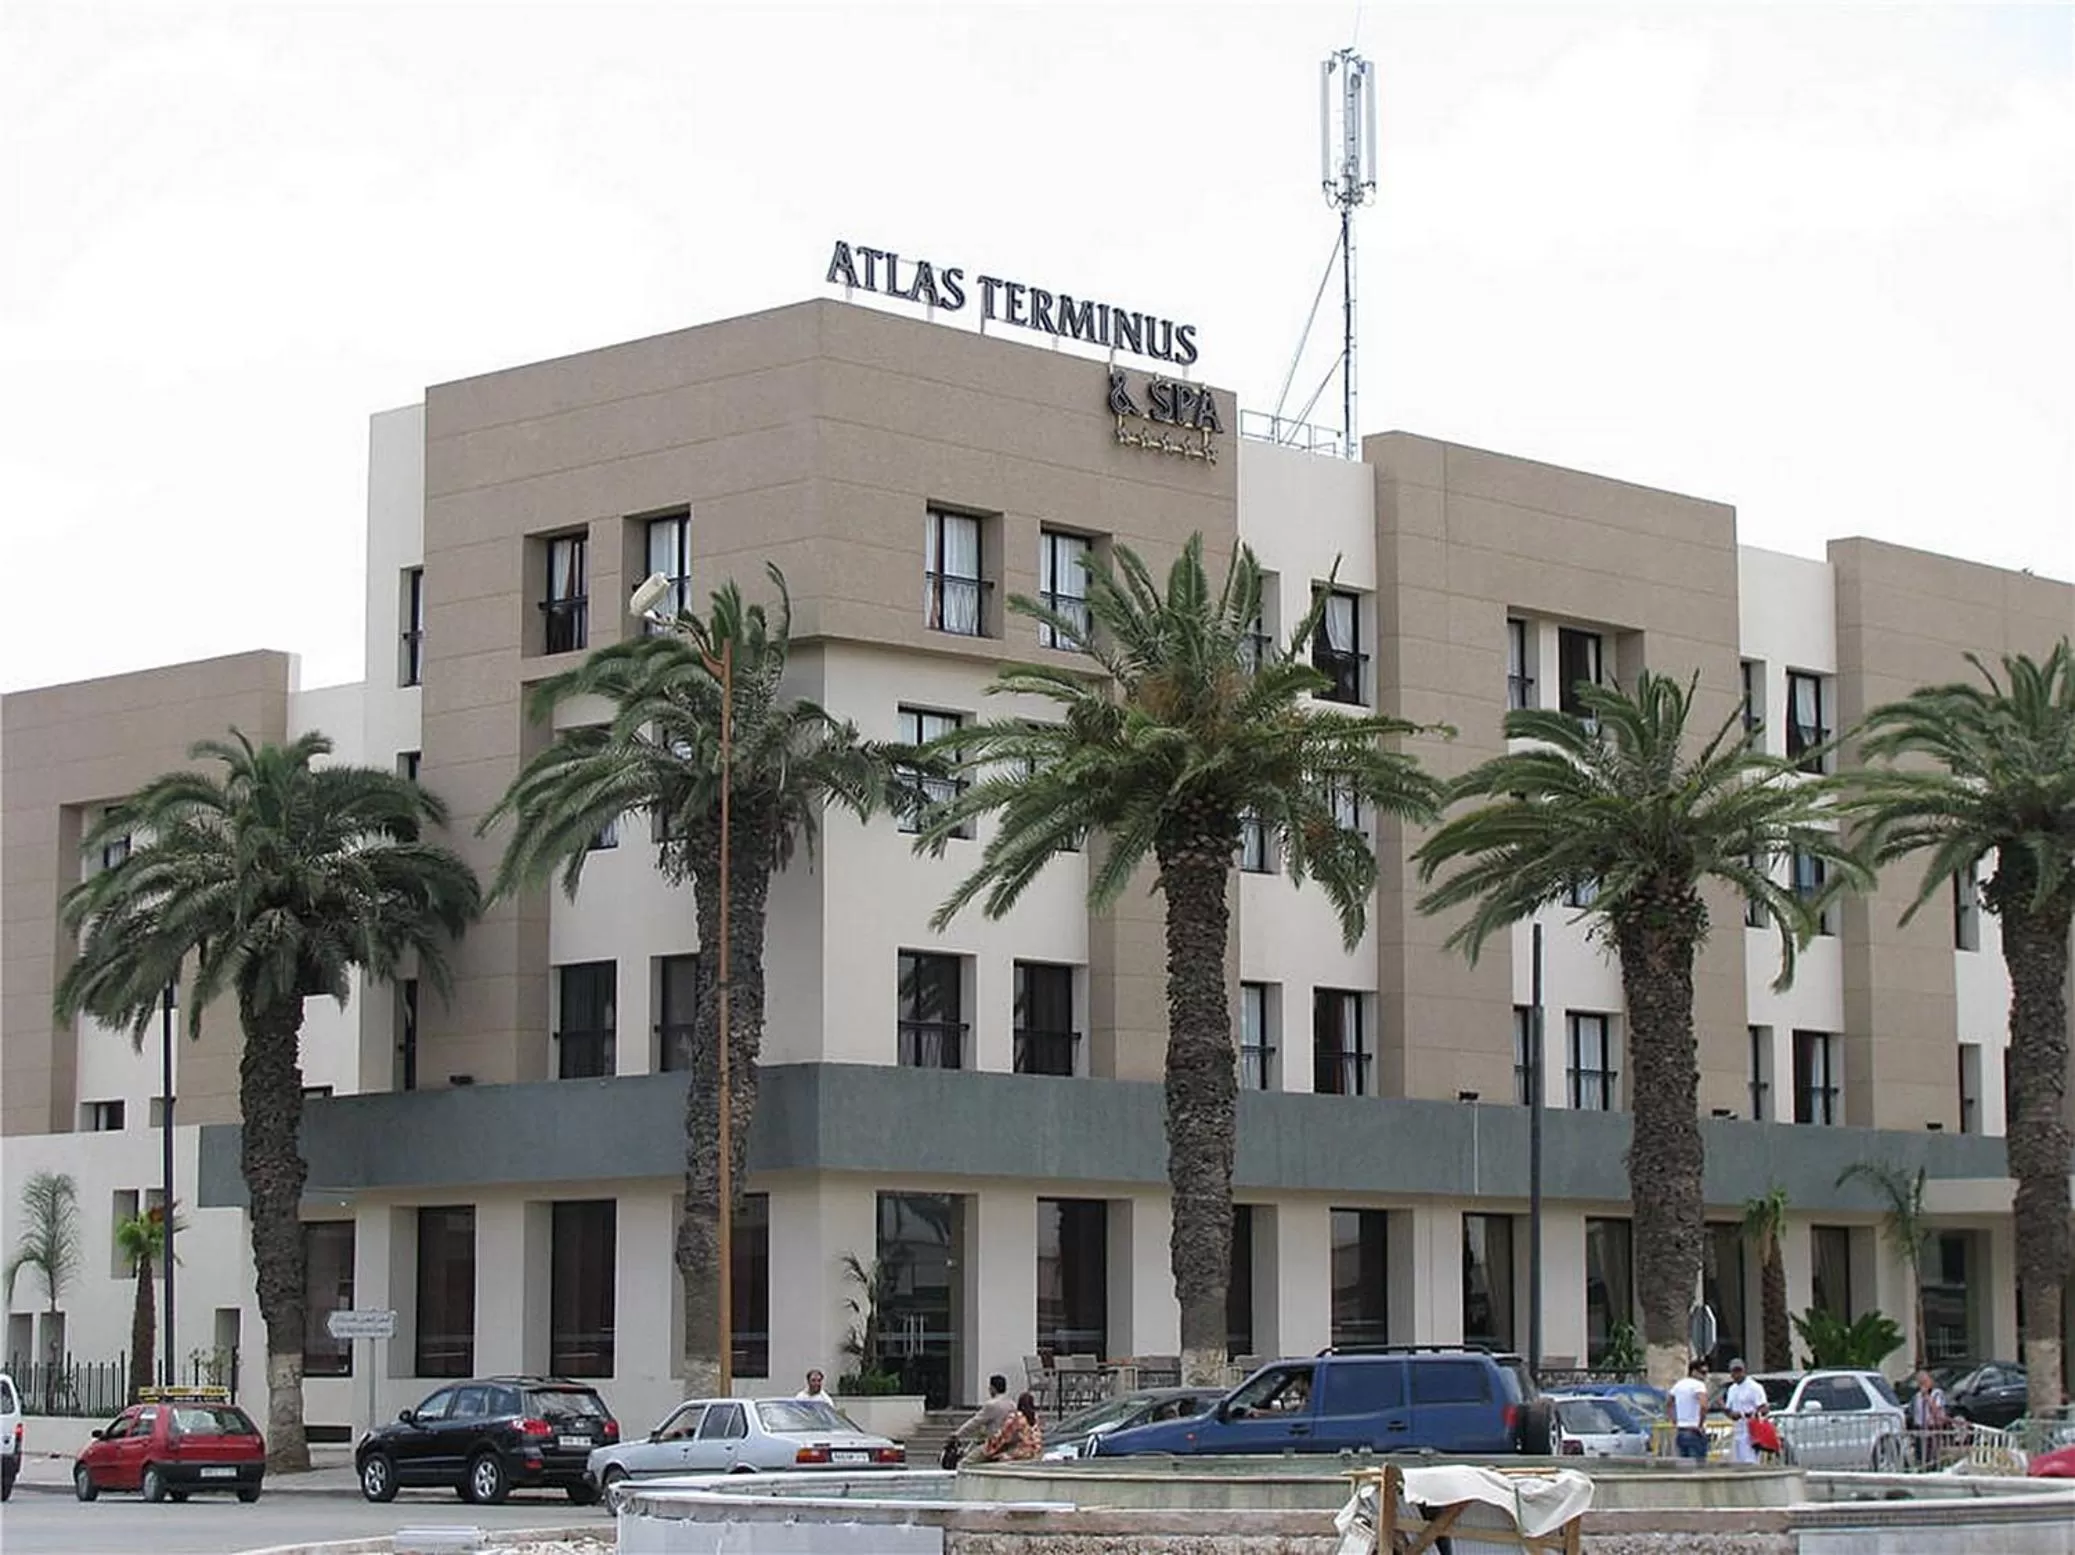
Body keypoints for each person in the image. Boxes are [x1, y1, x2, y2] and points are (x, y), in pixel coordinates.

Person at [1722, 1359, 1769, 1465]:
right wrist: (1725, 1409)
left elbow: (1764, 1408)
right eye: (1734, 1371)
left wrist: (1745, 1414)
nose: (1737, 1374)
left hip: (1751, 1432)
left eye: (1739, 1371)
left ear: (1744, 1371)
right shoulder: (1732, 1389)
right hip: (1737, 1431)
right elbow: (1730, 1411)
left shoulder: (1754, 1387)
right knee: (1738, 1462)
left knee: (1750, 1462)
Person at [976, 1390, 1044, 1462]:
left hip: (1022, 1453)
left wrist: (988, 1448)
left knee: (997, 1456)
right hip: (1037, 1452)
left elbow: (1003, 1435)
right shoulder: (1036, 1417)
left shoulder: (1016, 1417)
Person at [1669, 1359, 1712, 1462]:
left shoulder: (1678, 1385)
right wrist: (1700, 1424)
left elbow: (1669, 1403)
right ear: (1693, 1372)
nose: (1705, 1376)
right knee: (1698, 1467)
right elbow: (1704, 1406)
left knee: (1684, 1466)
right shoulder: (1699, 1385)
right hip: (1694, 1431)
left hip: (1681, 1430)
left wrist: (1674, 1420)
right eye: (1703, 1373)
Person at [955, 1373, 1017, 1445]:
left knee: (970, 1456)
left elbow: (975, 1422)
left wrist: (958, 1433)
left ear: (992, 1388)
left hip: (993, 1444)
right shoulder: (1012, 1404)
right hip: (1008, 1442)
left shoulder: (992, 1405)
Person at [1908, 1369, 1950, 1466]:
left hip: (1932, 1428)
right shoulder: (1916, 1396)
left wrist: (1927, 1396)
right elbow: (1913, 1412)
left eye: (1925, 1381)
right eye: (1920, 1382)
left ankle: (1933, 1466)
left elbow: (1937, 1410)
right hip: (1919, 1428)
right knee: (1920, 1454)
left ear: (1930, 1381)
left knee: (1931, 1454)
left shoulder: (1937, 1394)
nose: (1923, 1385)